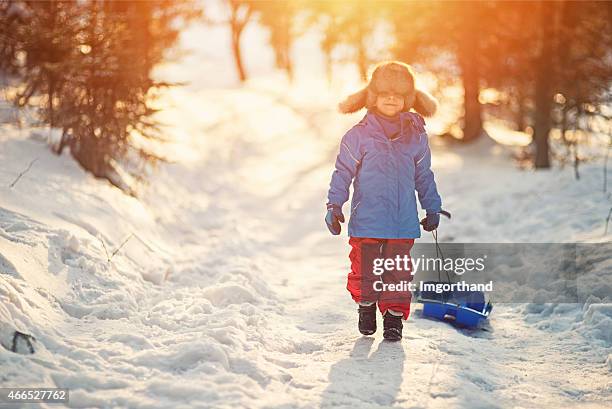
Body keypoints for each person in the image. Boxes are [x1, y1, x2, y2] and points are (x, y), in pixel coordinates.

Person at [325, 61, 443, 341]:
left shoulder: (416, 135)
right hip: (368, 218)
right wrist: (334, 205)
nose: (391, 98)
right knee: (364, 268)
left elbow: (423, 174)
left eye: (399, 94)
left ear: (409, 99)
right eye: (384, 93)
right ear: (372, 96)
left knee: (398, 271)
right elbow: (343, 172)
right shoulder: (358, 135)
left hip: (402, 221)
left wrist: (432, 206)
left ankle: (393, 318)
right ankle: (366, 306)